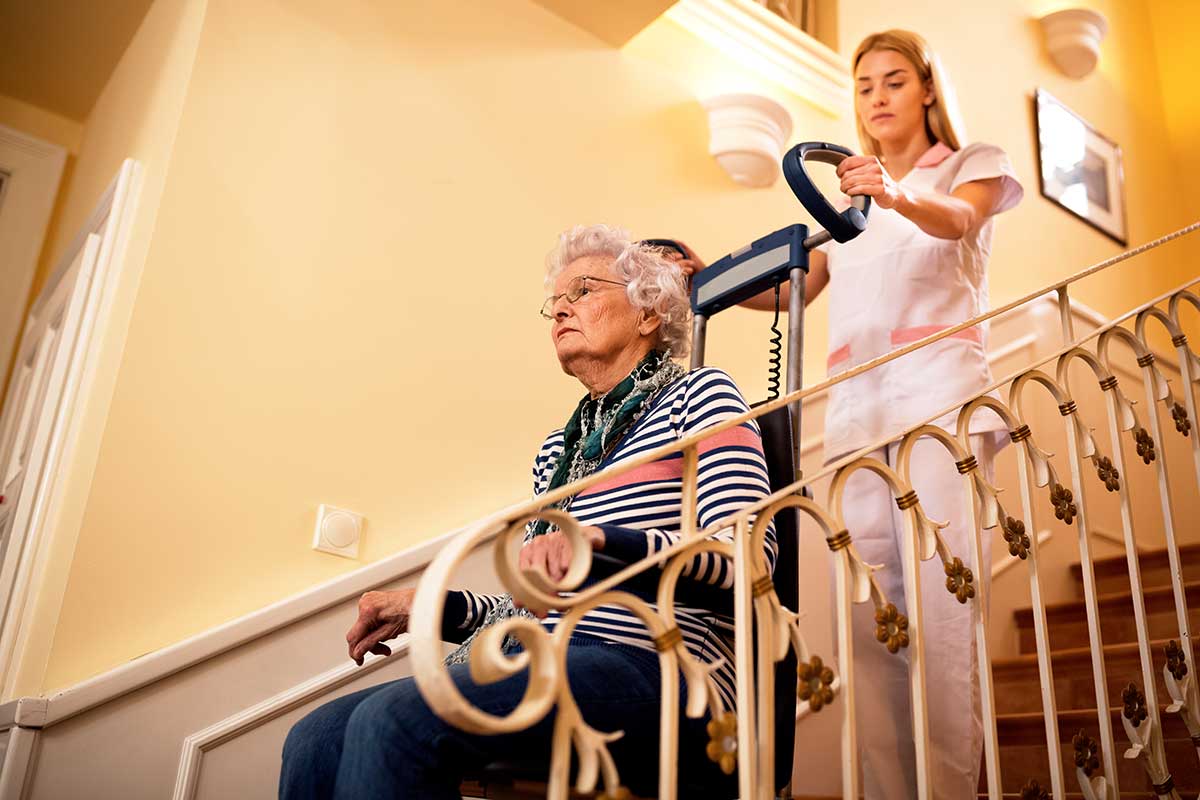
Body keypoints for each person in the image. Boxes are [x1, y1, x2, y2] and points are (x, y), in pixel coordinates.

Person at [279, 224, 777, 800]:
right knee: (314, 736)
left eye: (584, 291)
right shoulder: (559, 452)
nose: (562, 310)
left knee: (391, 720)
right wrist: (433, 607)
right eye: (556, 302)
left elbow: (747, 556)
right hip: (548, 654)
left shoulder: (701, 396)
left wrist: (603, 543)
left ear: (647, 314)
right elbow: (534, 609)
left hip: (664, 665)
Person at [677, 28, 1023, 800]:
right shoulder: (848, 206)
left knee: (940, 619)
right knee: (874, 630)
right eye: (865, 84)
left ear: (927, 89)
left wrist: (893, 192)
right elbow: (796, 285)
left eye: (894, 80)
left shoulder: (972, 165)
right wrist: (709, 275)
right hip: (858, 425)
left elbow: (958, 221)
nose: (877, 97)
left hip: (940, 410)